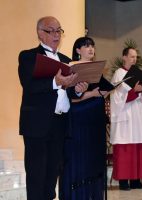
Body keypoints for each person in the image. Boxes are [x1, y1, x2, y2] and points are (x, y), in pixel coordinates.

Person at [18, 16, 88, 200]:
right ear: (40, 33)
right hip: (37, 123)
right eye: (52, 30)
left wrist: (78, 91)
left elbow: (70, 92)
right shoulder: (28, 56)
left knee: (53, 172)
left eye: (59, 30)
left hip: (60, 123)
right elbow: (30, 86)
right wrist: (55, 82)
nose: (57, 35)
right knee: (36, 173)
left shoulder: (67, 60)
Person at [59, 37, 107, 199]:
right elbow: (69, 98)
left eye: (92, 45)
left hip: (94, 119)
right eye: (86, 46)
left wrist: (104, 93)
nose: (91, 49)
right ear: (78, 50)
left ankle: (92, 194)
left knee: (92, 159)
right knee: (79, 159)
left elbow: (101, 90)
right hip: (79, 120)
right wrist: (92, 94)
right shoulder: (71, 68)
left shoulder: (97, 70)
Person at [110, 47, 142, 190]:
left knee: (137, 147)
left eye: (136, 57)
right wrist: (134, 91)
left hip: (136, 117)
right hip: (124, 117)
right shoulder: (118, 74)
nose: (134, 59)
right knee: (125, 149)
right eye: (132, 57)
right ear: (124, 57)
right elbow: (116, 98)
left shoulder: (138, 75)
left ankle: (135, 180)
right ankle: (123, 181)